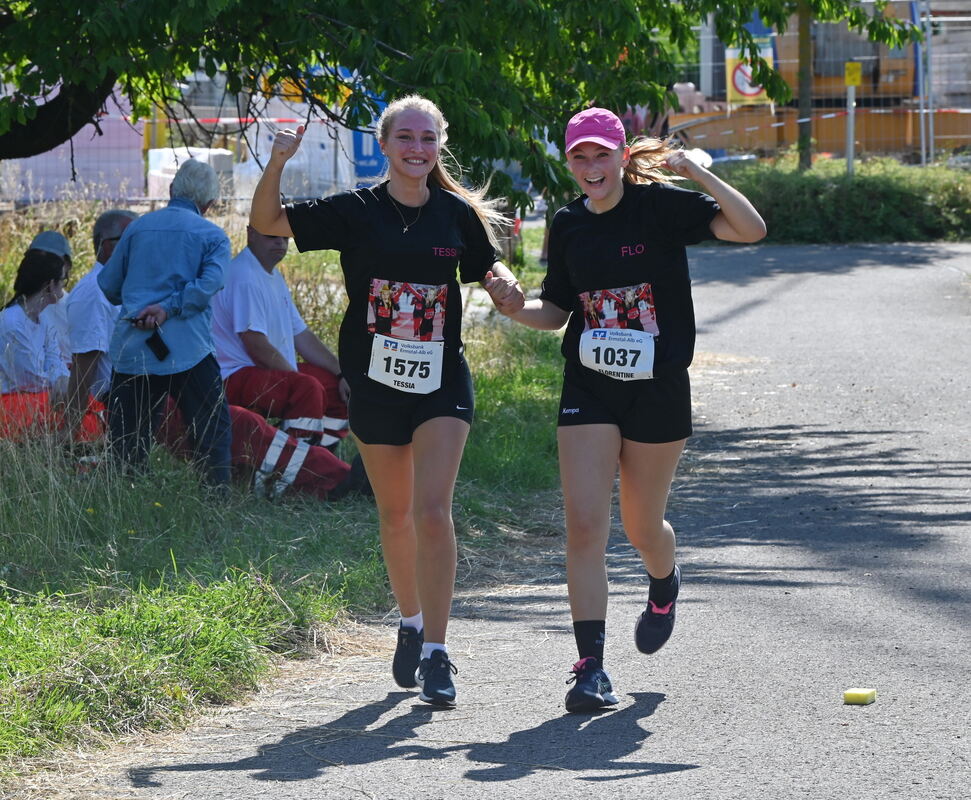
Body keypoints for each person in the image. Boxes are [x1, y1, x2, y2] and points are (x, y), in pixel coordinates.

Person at [249, 94, 523, 706]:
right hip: (374, 382)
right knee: (394, 513)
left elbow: (488, 268)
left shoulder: (455, 214)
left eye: (428, 139)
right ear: (385, 144)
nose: (417, 149)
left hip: (441, 379)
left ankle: (438, 652)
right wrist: (278, 163)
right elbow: (268, 222)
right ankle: (409, 621)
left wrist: (504, 283)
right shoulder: (356, 210)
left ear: (439, 145)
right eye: (406, 138)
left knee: (433, 511)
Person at [503, 107, 766, 712]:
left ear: (623, 156)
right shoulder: (567, 225)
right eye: (580, 156)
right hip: (590, 386)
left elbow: (750, 229)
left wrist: (698, 176)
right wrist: (519, 310)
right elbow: (558, 311)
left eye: (602, 154)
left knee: (642, 527)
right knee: (586, 526)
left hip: (658, 387)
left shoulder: (660, 208)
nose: (592, 167)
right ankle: (590, 667)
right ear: (568, 163)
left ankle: (663, 580)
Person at [98, 159, 233, 489]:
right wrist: (171, 307)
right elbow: (207, 287)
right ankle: (215, 497)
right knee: (211, 429)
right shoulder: (213, 236)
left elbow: (108, 285)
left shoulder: (137, 229)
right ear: (210, 203)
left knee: (127, 439)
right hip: (189, 349)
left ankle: (126, 499)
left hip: (134, 346)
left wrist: (140, 302)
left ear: (171, 190)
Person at [211, 225, 349, 449]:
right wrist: (296, 381)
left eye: (285, 238)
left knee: (335, 386)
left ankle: (322, 455)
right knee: (307, 389)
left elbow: (302, 335)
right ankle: (296, 467)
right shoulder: (245, 275)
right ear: (251, 233)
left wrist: (342, 373)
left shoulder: (271, 275)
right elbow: (256, 345)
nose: (280, 243)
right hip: (232, 375)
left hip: (261, 372)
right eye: (272, 236)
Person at [0, 250, 102, 439]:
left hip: (45, 396)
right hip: (15, 403)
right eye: (63, 281)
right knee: (85, 420)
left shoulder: (42, 317)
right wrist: (64, 385)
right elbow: (29, 380)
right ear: (49, 285)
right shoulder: (11, 323)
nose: (63, 288)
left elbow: (55, 359)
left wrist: (63, 381)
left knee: (90, 404)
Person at [29, 230, 74, 363]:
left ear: (67, 265)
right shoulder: (20, 308)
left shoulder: (72, 304)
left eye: (53, 259)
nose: (46, 265)